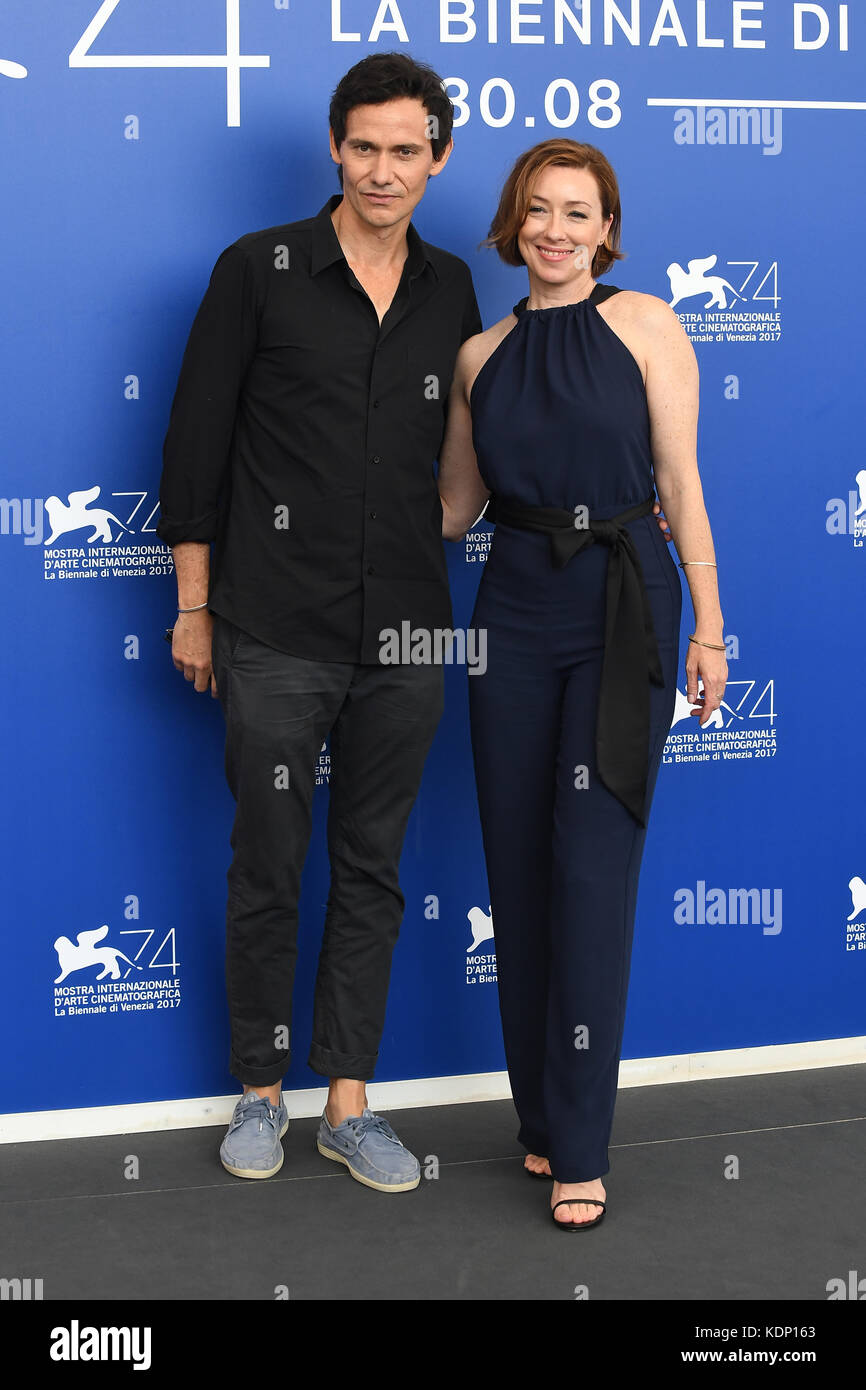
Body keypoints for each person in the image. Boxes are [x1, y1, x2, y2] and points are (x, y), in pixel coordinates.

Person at [156, 53, 482, 1189]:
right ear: (334, 151)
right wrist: (195, 605)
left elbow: (460, 457)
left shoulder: (450, 287)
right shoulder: (259, 269)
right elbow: (195, 443)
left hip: (407, 626)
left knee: (374, 865)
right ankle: (259, 1093)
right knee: (270, 860)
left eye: (407, 150)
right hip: (273, 624)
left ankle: (348, 1103)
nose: (384, 169)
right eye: (365, 147)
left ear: (436, 159)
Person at [437, 139, 727, 1229]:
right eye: (538, 211)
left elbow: (678, 481)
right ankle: (539, 1119)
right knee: (516, 869)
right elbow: (454, 507)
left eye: (579, 213)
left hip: (622, 603)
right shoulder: (477, 355)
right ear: (512, 223)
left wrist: (710, 625)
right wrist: (333, 539)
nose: (556, 230)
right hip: (507, 609)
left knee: (591, 870)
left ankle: (583, 1148)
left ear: (606, 228)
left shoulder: (647, 323)